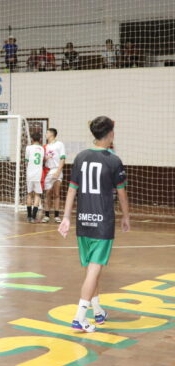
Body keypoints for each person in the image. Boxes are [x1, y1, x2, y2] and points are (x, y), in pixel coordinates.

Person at [58, 116, 130, 332]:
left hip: (83, 221)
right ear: (110, 134)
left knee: (91, 269)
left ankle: (98, 312)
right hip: (102, 223)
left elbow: (72, 189)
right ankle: (80, 317)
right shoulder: (113, 160)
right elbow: (122, 192)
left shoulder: (80, 157)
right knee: (94, 269)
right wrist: (126, 216)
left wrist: (66, 217)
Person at [42, 128, 66, 223]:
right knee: (47, 193)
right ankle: (46, 215)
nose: (45, 134)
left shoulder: (60, 144)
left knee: (56, 193)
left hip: (57, 170)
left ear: (52, 134)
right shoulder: (45, 146)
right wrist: (44, 159)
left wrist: (58, 171)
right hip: (48, 171)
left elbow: (62, 158)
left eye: (47, 133)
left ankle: (56, 215)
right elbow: (42, 160)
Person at [25, 132, 45, 223]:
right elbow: (42, 160)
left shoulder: (28, 148)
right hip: (38, 174)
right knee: (37, 195)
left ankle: (28, 216)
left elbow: (26, 161)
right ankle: (33, 217)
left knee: (29, 194)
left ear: (32, 139)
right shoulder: (42, 148)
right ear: (40, 139)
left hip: (29, 173)